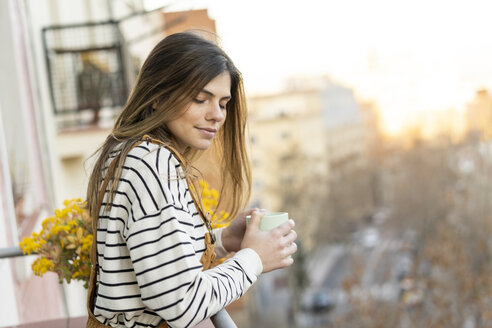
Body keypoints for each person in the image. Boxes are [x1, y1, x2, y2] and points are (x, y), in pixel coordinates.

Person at [85, 31, 298, 328]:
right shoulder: (153, 163)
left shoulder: (126, 152)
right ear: (158, 96)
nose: (217, 116)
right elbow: (182, 304)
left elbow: (150, 254)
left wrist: (222, 240)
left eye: (223, 103)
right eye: (201, 99)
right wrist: (255, 258)